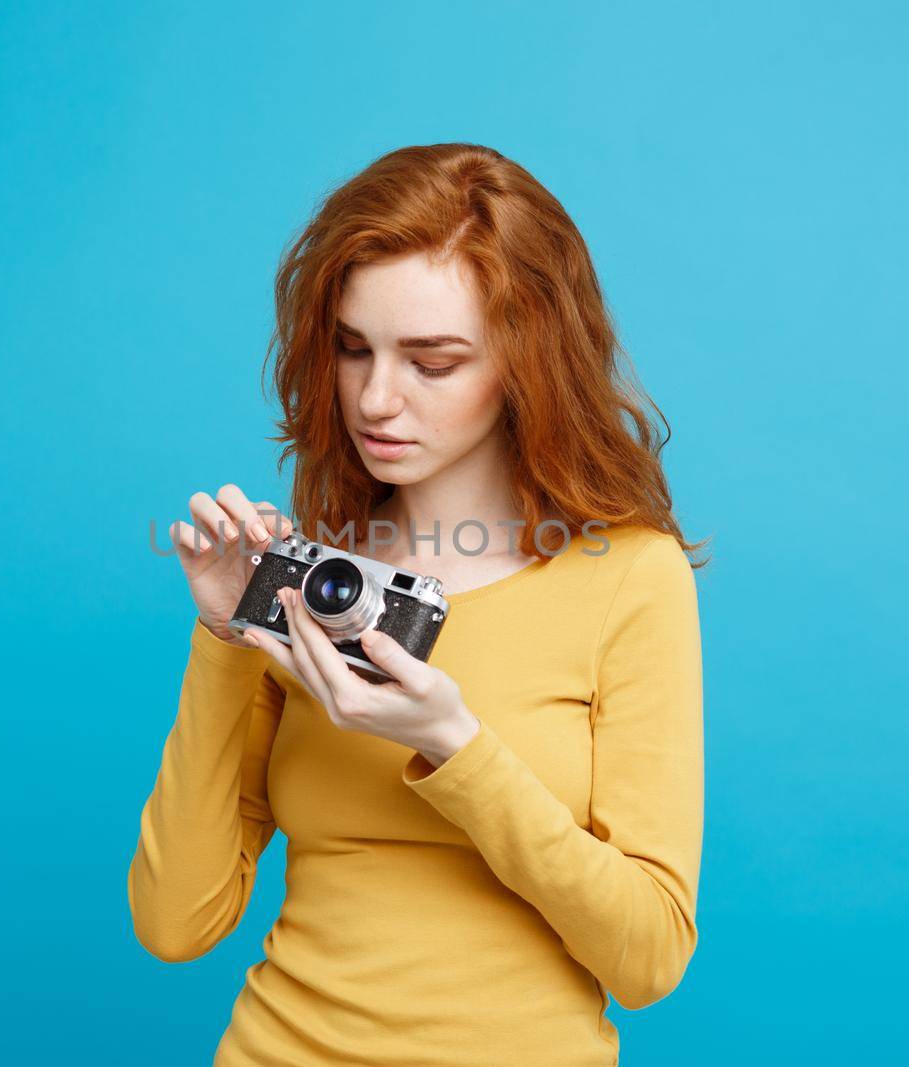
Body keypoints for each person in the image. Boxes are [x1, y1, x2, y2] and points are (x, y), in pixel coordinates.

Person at [128, 143, 708, 1067]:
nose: (376, 397)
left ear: (528, 363)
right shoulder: (315, 580)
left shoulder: (629, 578)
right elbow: (175, 924)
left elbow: (647, 957)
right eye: (354, 348)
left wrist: (457, 748)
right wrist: (226, 629)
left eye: (432, 362)